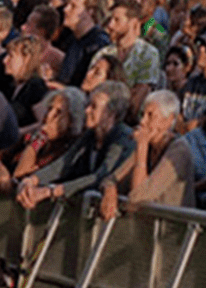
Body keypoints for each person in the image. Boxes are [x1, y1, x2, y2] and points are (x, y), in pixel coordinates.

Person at [18, 81, 135, 209]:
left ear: (111, 114)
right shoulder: (90, 134)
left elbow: (100, 176)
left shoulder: (123, 139)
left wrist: (51, 191)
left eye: (94, 106)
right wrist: (31, 180)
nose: (87, 110)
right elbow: (64, 163)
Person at [100, 90, 199, 216]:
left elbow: (138, 198)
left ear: (168, 120)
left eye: (150, 116)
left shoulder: (179, 150)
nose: (142, 121)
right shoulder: (149, 145)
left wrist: (142, 147)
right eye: (142, 114)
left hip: (171, 224)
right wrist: (110, 191)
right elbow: (110, 179)